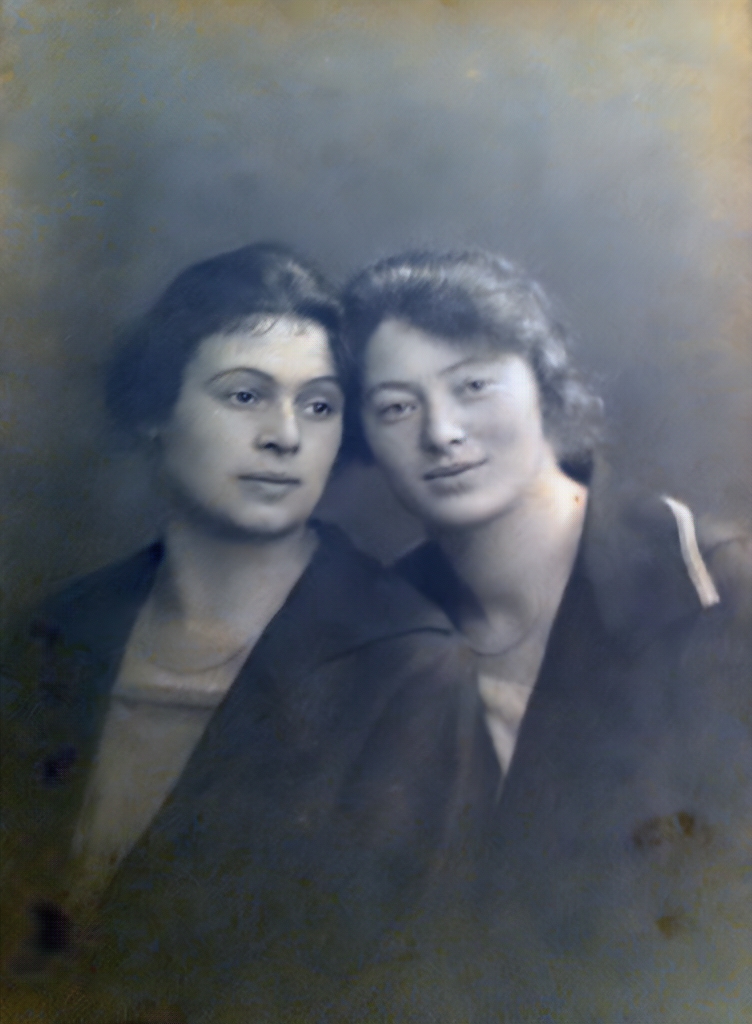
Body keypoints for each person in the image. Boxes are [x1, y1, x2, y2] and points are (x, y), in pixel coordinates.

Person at [0, 243, 493, 1023]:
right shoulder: (53, 637)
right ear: (155, 411)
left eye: (319, 406)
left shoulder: (407, 667)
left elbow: (399, 981)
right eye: (244, 395)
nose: (285, 436)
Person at [342, 249, 752, 1022]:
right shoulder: (374, 628)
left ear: (544, 382)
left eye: (473, 386)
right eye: (395, 407)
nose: (442, 432)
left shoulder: (714, 586)